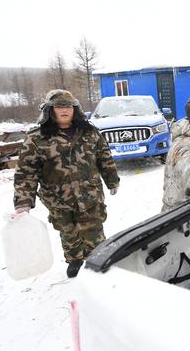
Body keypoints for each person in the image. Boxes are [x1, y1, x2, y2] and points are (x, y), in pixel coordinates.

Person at [13, 89, 120, 278]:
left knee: (94, 230)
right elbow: (26, 173)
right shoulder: (36, 138)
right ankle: (75, 261)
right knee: (68, 233)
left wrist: (112, 180)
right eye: (59, 106)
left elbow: (105, 158)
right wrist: (23, 203)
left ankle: (99, 261)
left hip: (90, 196)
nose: (64, 110)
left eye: (68, 106)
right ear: (49, 110)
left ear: (75, 109)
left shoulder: (90, 133)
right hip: (58, 200)